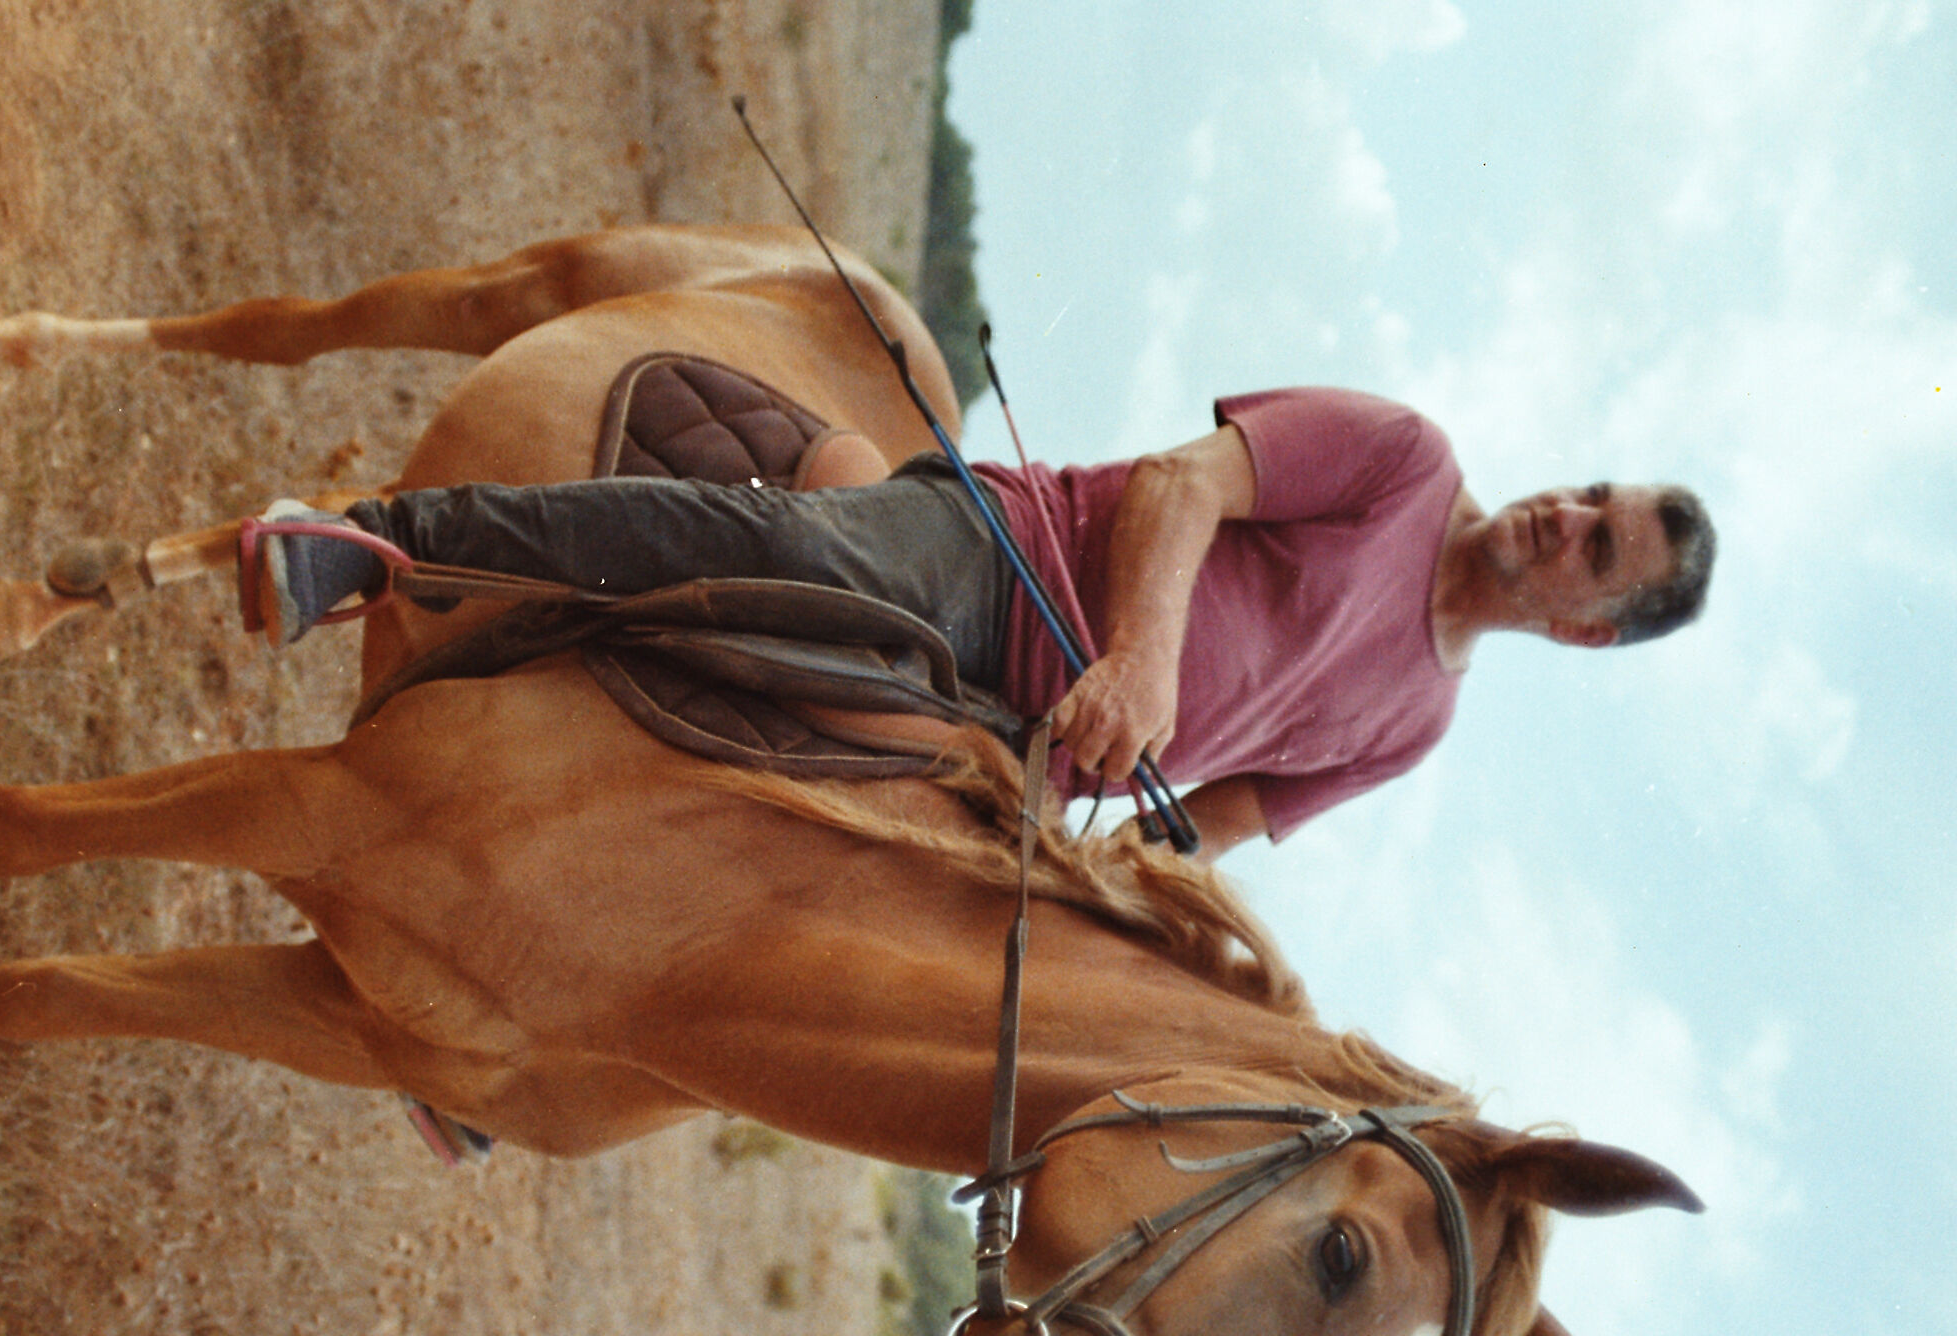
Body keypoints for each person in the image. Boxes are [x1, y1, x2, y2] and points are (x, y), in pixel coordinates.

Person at [247, 386, 1715, 859]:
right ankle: (381, 546)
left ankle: (527, 1043)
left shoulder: (1418, 724)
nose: (1566, 513)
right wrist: (1138, 660)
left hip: (1019, 764)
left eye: (1600, 543)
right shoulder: (1406, 460)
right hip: (1002, 565)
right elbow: (1185, 482)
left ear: (1590, 632)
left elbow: (1211, 823)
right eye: (1593, 492)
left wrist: (1113, 891)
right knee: (787, 554)